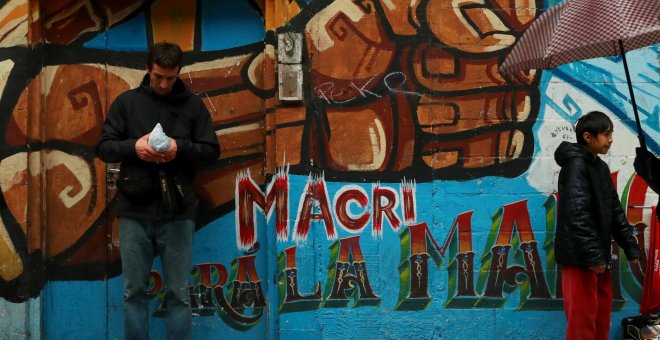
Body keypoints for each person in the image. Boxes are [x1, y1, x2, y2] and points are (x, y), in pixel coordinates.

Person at [96, 42, 220, 339]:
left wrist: (180, 148)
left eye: (170, 77)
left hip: (178, 213)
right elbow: (103, 147)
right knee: (134, 293)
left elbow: (212, 151)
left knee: (178, 294)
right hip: (134, 212)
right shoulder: (126, 104)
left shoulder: (192, 106)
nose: (164, 84)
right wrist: (133, 147)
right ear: (147, 70)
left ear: (178, 73)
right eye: (157, 76)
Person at [554, 110, 641, 340]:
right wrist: (593, 256)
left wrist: (630, 246)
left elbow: (614, 210)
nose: (610, 139)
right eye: (605, 134)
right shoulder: (575, 166)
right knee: (582, 321)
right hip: (580, 257)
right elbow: (577, 215)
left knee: (601, 317)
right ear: (587, 137)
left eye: (611, 134)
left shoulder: (599, 167)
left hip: (597, 256)